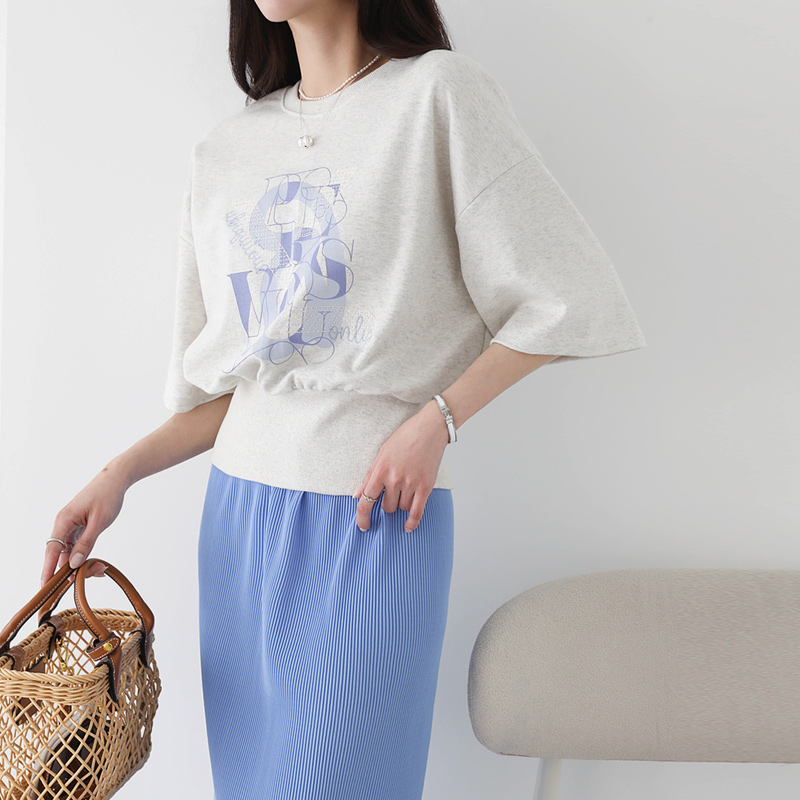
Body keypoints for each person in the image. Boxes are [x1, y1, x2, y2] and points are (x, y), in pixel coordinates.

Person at [39, 0, 647, 798]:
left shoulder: (438, 96)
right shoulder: (226, 148)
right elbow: (239, 386)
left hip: (374, 516)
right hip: (237, 527)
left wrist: (439, 419)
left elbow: (566, 298)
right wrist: (117, 475)